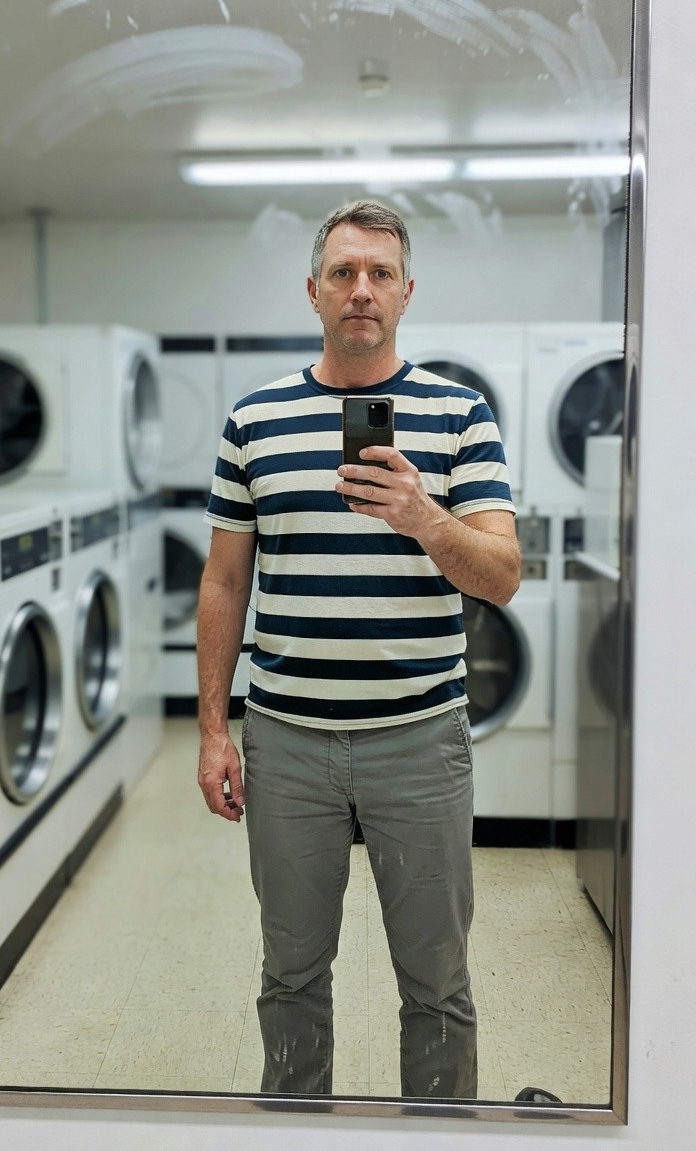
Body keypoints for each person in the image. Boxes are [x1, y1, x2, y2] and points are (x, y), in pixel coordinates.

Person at [196, 199, 520, 1099]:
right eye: (343, 273)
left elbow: (501, 575)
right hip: (288, 747)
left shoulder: (461, 415)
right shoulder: (253, 419)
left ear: (407, 293)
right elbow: (225, 583)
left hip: (420, 745)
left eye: (380, 274)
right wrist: (215, 732)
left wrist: (423, 516)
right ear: (313, 292)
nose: (361, 291)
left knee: (438, 986)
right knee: (291, 978)